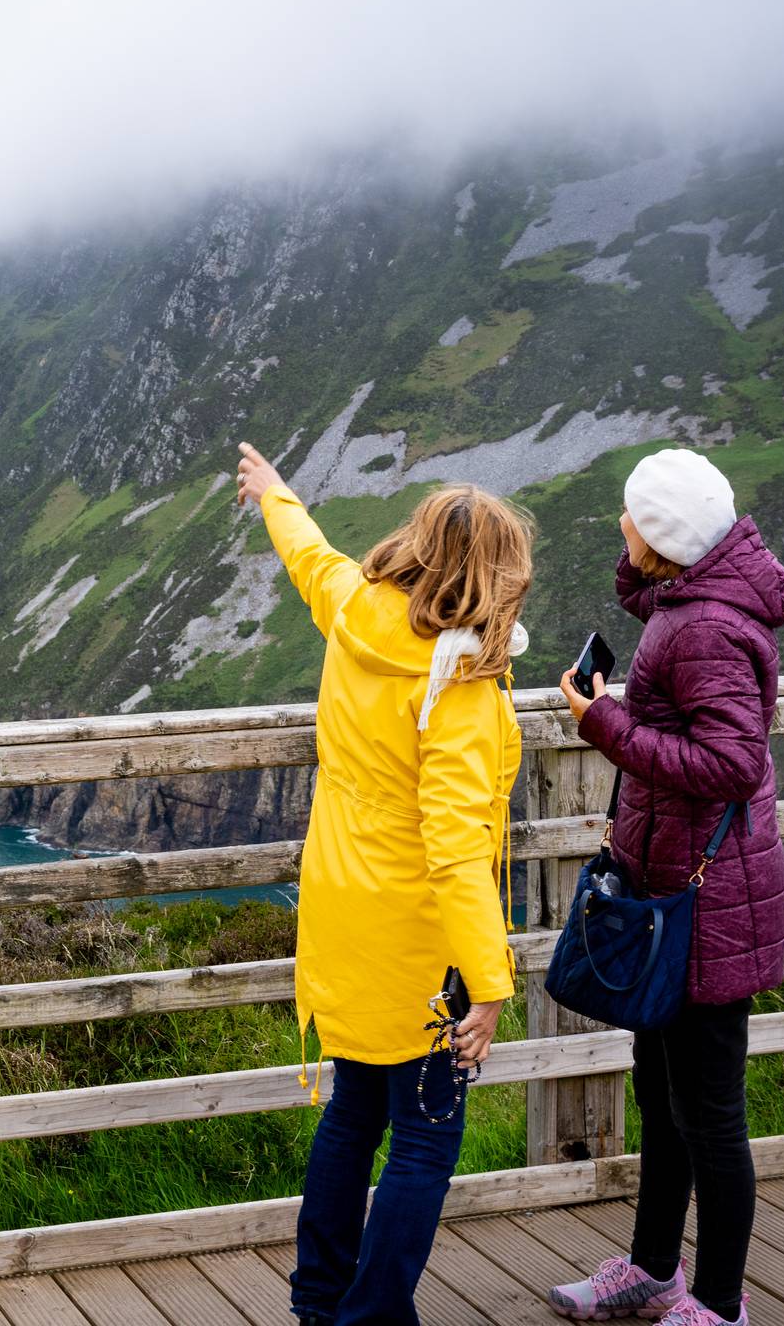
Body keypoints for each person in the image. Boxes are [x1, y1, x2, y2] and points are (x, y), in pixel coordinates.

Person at [234, 441, 533, 1326]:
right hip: (419, 940)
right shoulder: (461, 691)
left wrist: (277, 495)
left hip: (340, 909)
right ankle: (367, 1320)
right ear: (494, 576)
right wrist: (488, 981)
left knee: (355, 1108)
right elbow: (452, 846)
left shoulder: (358, 612)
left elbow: (313, 562)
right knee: (425, 1141)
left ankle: (321, 1300)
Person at [549, 448, 784, 1326]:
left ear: (663, 537)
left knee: (711, 1117)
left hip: (706, 904)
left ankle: (719, 1306)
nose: (621, 523)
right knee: (664, 1095)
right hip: (678, 893)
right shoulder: (694, 605)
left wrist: (602, 721)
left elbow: (730, 763)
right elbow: (654, 612)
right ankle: (656, 1271)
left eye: (634, 517)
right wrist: (621, 703)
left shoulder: (702, 628)